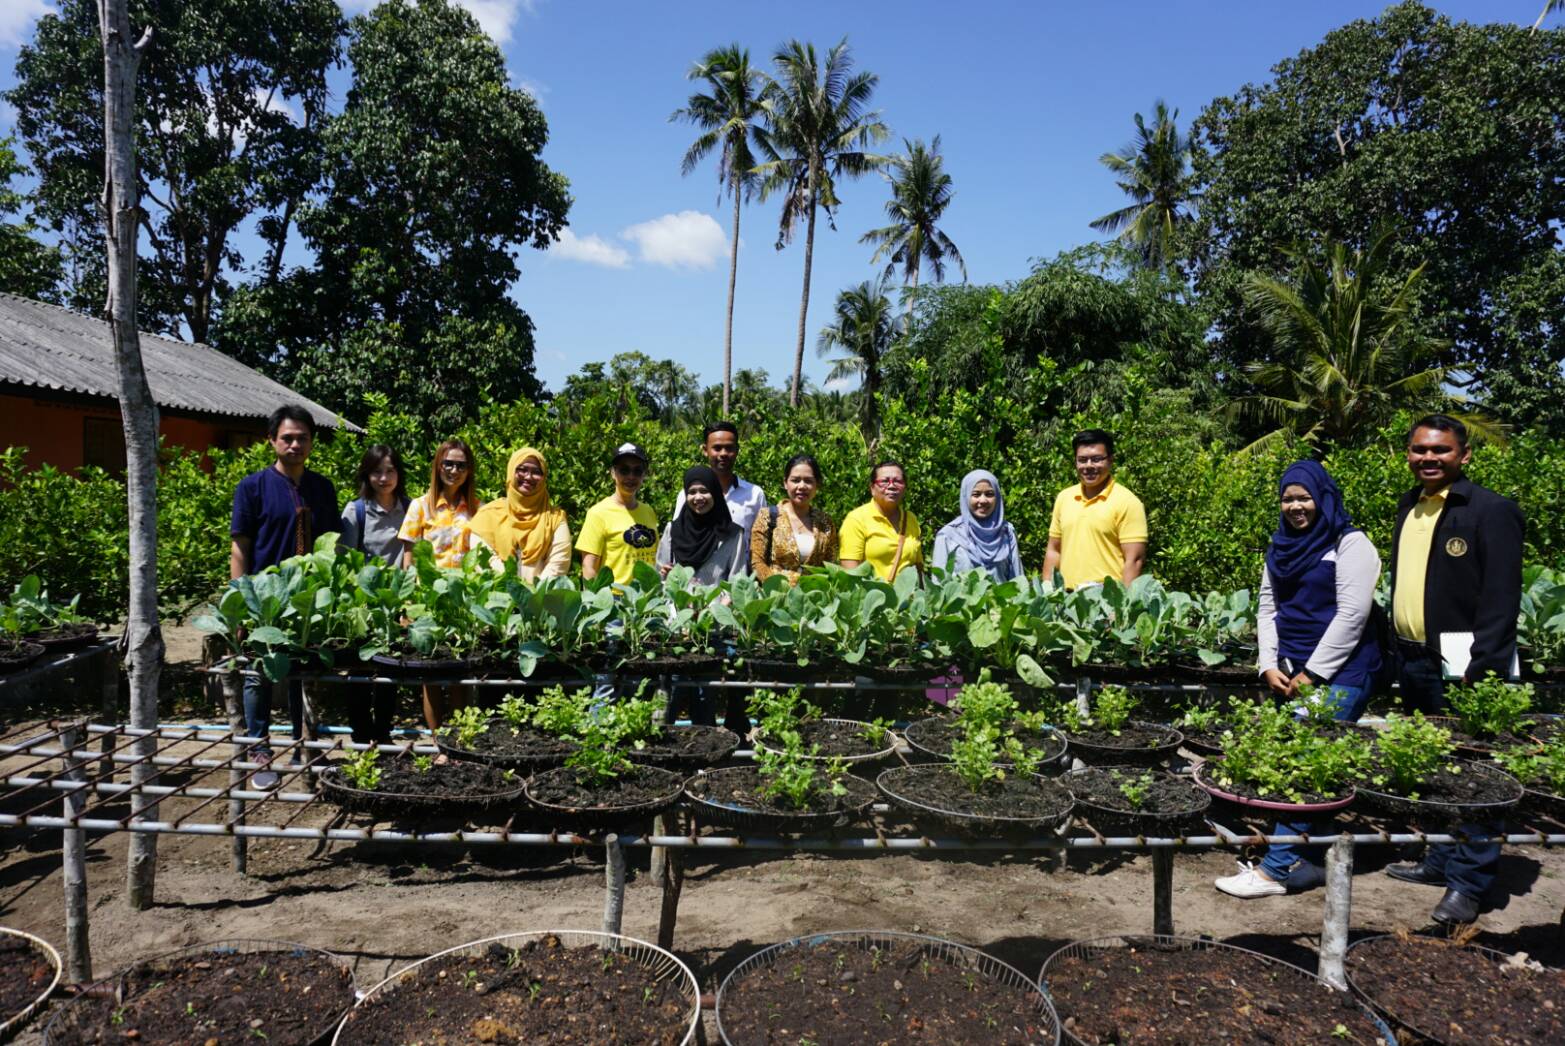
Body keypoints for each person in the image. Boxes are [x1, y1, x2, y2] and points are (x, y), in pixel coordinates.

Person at [1215, 460, 1381, 900]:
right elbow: (1268, 609)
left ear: (1322, 498)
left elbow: (1353, 614)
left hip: (1343, 673)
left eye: (1303, 497)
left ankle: (1275, 869)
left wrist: (1315, 672)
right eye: (1288, 498)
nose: (1295, 506)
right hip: (1291, 672)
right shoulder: (1281, 547)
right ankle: (1311, 861)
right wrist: (1268, 663)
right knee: (1309, 761)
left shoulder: (1350, 544)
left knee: (1303, 761)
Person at [1383, 414, 1524, 925]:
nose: (1428, 458)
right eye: (1420, 450)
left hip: (1464, 668)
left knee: (1476, 776)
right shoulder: (1410, 506)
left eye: (1440, 451)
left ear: (1463, 455)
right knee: (1435, 772)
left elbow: (1502, 597)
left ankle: (1469, 883)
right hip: (1415, 659)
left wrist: (1484, 666)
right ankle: (1440, 858)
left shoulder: (1491, 511)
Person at [230, 405, 341, 789]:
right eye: (287, 438)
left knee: (303, 674)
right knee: (258, 674)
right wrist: (240, 601)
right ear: (272, 441)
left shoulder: (322, 488)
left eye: (303, 438)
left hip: (308, 596)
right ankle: (258, 748)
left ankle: (304, 743)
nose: (295, 444)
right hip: (264, 596)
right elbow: (240, 547)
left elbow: (331, 548)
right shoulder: (253, 487)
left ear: (312, 441)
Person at [398, 438, 482, 739]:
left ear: (469, 470)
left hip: (461, 603)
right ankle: (437, 744)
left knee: (460, 675)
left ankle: (458, 741)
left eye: (461, 465)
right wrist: (406, 606)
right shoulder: (420, 507)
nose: (454, 470)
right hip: (427, 602)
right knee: (431, 676)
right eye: (448, 463)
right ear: (438, 466)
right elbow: (408, 559)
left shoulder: (477, 509)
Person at [339, 445, 410, 746]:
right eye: (377, 471)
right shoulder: (355, 511)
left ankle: (382, 732)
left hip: (396, 603)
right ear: (367, 475)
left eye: (390, 470)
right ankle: (359, 733)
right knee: (358, 669)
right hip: (363, 603)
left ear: (399, 474)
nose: (384, 477)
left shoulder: (409, 508)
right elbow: (345, 562)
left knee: (389, 670)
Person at [1042, 429, 1148, 589]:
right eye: (1082, 460)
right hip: (1066, 599)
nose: (1089, 466)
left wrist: (1122, 608)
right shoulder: (1064, 498)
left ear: (1110, 460)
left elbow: (1134, 561)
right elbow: (1054, 550)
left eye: (1097, 459)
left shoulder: (1128, 502)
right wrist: (1048, 591)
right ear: (1075, 462)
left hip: (1107, 600)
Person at [469, 447, 572, 582]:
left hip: (542, 599)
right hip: (496, 596)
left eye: (536, 472)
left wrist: (534, 595)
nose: (528, 477)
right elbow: (484, 559)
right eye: (522, 470)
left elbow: (558, 564)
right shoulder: (488, 514)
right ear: (511, 471)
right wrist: (511, 589)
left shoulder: (555, 518)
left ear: (544, 477)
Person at [577, 442, 660, 584]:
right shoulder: (598, 513)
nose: (631, 477)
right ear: (613, 473)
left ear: (644, 475)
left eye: (637, 471)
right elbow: (589, 567)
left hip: (648, 599)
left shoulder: (648, 511)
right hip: (615, 600)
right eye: (624, 470)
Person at [751, 455, 838, 584]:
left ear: (817, 485)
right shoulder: (768, 517)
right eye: (795, 480)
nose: (802, 486)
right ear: (785, 483)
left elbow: (830, 565)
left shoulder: (825, 523)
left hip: (814, 598)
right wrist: (777, 588)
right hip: (776, 597)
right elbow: (757, 562)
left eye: (808, 481)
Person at [658, 465, 751, 584]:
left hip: (717, 601)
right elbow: (659, 576)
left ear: (715, 492)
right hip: (678, 601)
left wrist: (724, 601)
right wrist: (663, 575)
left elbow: (739, 580)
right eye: (692, 492)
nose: (698, 497)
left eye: (704, 491)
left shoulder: (732, 534)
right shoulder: (672, 530)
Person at [674, 421, 768, 533]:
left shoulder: (755, 494)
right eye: (717, 448)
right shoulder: (688, 496)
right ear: (705, 450)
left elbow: (762, 539)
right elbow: (678, 535)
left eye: (729, 448)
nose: (723, 453)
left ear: (737, 450)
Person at [932, 469, 1023, 581]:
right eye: (976, 494)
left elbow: (1018, 582)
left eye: (989, 494)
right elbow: (938, 585)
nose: (983, 500)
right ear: (966, 496)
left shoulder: (1007, 532)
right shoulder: (948, 536)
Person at [840, 461, 923, 581]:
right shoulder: (857, 519)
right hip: (873, 597)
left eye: (898, 481)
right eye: (885, 481)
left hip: (908, 598)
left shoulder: (911, 519)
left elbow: (917, 567)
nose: (891, 486)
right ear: (872, 488)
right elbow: (850, 572)